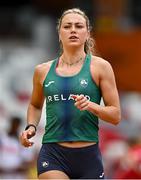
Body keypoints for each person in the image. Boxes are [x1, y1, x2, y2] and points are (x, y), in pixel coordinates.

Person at [19, 8, 121, 179]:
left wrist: (91, 106)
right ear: (59, 34)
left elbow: (115, 115)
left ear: (87, 33)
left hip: (88, 156)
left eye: (79, 26)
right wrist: (31, 127)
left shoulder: (100, 67)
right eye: (67, 26)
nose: (73, 30)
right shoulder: (42, 71)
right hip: (53, 154)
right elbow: (35, 105)